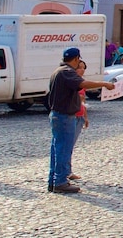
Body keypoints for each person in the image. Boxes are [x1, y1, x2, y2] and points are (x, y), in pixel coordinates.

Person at [48, 47, 114, 193]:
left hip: (58, 114)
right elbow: (83, 84)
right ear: (77, 59)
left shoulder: (58, 71)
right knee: (63, 149)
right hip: (65, 116)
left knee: (57, 149)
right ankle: (60, 182)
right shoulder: (67, 72)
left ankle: (53, 180)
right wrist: (104, 84)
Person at [68, 60, 91, 182]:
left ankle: (67, 170)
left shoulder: (81, 83)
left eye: (84, 68)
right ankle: (66, 171)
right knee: (68, 145)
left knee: (71, 145)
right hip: (72, 115)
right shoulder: (72, 82)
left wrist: (85, 117)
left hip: (79, 115)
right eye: (80, 67)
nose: (82, 70)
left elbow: (83, 102)